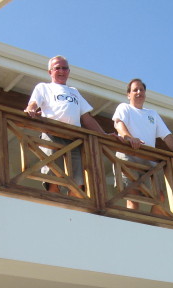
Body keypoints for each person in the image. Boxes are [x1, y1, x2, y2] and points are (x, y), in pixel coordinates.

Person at [24, 55, 111, 196]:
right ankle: (54, 204)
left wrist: (104, 135)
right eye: (57, 68)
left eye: (65, 68)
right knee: (52, 177)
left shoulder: (74, 91)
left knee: (78, 181)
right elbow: (33, 103)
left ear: (69, 72)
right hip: (52, 134)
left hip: (74, 139)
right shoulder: (44, 87)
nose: (61, 71)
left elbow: (87, 118)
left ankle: (73, 207)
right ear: (50, 72)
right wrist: (31, 109)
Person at [113, 79, 173, 211]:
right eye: (135, 90)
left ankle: (152, 222)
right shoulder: (124, 107)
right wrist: (130, 138)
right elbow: (119, 124)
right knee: (132, 195)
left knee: (159, 198)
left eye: (141, 89)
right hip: (128, 156)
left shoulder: (152, 114)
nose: (139, 92)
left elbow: (166, 135)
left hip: (149, 160)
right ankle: (133, 223)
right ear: (128, 94)